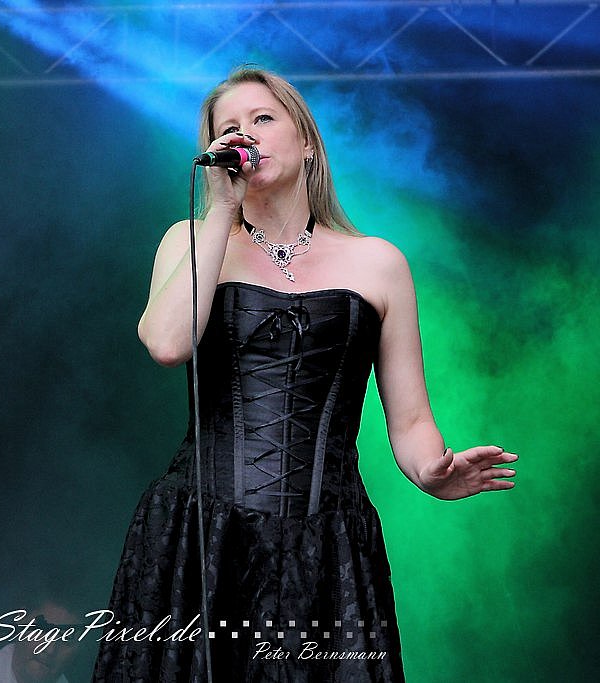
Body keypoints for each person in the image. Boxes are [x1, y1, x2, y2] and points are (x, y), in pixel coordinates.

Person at [92, 67, 518, 682]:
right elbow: (165, 343)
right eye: (228, 127)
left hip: (326, 544)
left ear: (308, 141)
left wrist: (432, 470)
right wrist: (222, 211)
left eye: (262, 118)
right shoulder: (190, 240)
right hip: (203, 538)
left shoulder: (377, 263)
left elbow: (411, 421)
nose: (245, 134)